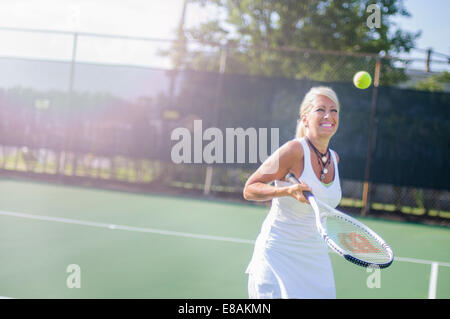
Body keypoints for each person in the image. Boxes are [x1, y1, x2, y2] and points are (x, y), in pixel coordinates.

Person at [243, 86, 342, 299]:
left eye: (334, 111)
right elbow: (250, 188)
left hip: (316, 256)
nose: (329, 115)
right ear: (305, 119)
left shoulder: (335, 158)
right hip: (278, 254)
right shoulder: (293, 150)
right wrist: (288, 191)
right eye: (320, 110)